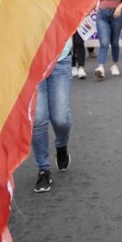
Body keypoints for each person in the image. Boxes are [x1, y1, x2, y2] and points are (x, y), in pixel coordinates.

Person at [33, 38, 73, 193]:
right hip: (31, 62)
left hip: (60, 58)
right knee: (38, 120)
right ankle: (43, 170)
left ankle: (61, 146)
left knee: (61, 119)